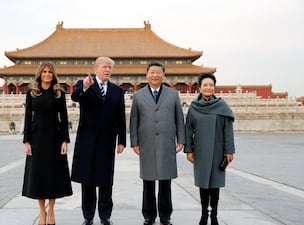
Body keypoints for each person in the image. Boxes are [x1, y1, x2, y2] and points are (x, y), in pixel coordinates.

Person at [71, 56, 126, 225]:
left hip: (107, 141)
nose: (107, 70)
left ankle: (105, 215)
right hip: (87, 140)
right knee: (87, 180)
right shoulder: (85, 84)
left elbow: (120, 117)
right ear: (96, 69)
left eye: (110, 67)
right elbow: (75, 96)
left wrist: (122, 140)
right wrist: (85, 87)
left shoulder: (117, 91)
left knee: (105, 180)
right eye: (104, 67)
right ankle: (88, 216)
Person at [129, 61, 185, 225]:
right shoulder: (139, 95)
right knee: (148, 182)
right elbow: (134, 120)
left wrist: (181, 139)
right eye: (152, 72)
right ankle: (149, 216)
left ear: (163, 75)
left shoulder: (173, 94)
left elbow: (179, 118)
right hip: (146, 143)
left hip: (167, 143)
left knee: (165, 182)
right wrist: (134, 142)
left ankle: (165, 216)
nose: (155, 75)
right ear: (147, 75)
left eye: (158, 72)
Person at [22, 62, 73, 225]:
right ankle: (41, 212)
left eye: (50, 72)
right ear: (40, 74)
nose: (47, 74)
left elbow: (64, 118)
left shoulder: (58, 93)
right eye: (44, 71)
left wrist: (65, 140)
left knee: (53, 176)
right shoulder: (32, 93)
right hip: (37, 139)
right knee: (39, 176)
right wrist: (26, 140)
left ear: (53, 75)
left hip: (55, 138)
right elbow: (28, 117)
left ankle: (51, 210)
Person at [184, 73, 235, 225]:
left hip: (219, 150)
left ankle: (214, 214)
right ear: (199, 88)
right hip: (200, 150)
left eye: (211, 85)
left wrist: (229, 150)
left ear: (214, 87)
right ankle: (204, 213)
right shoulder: (194, 107)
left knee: (215, 184)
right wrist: (189, 150)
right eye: (205, 85)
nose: (208, 88)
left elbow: (228, 130)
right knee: (203, 183)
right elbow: (188, 130)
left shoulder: (222, 106)